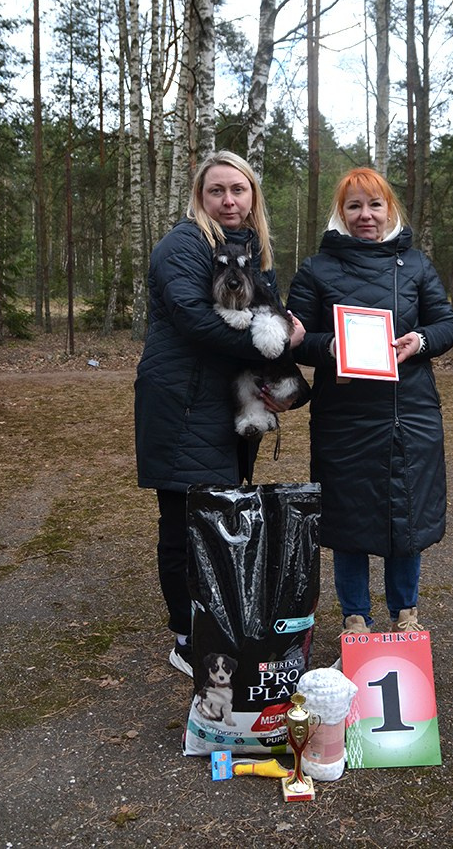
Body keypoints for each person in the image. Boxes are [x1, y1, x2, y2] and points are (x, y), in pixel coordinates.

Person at [134, 150, 305, 675]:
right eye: (217, 190)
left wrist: (288, 386)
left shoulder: (253, 251)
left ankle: (218, 624)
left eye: (238, 189)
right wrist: (279, 342)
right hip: (183, 406)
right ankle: (187, 639)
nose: (229, 200)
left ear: (252, 195)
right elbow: (195, 319)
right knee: (182, 527)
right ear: (200, 196)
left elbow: (272, 319)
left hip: (223, 406)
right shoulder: (184, 245)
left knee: (218, 524)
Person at [287, 167, 453, 635]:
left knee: (407, 517)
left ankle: (406, 613)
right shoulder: (316, 269)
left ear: (389, 209)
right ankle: (355, 616)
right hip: (344, 417)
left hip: (411, 412)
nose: (366, 214)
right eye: (355, 206)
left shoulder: (416, 264)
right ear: (340, 213)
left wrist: (419, 341)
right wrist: (330, 346)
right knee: (349, 521)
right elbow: (295, 338)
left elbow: (447, 324)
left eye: (375, 204)